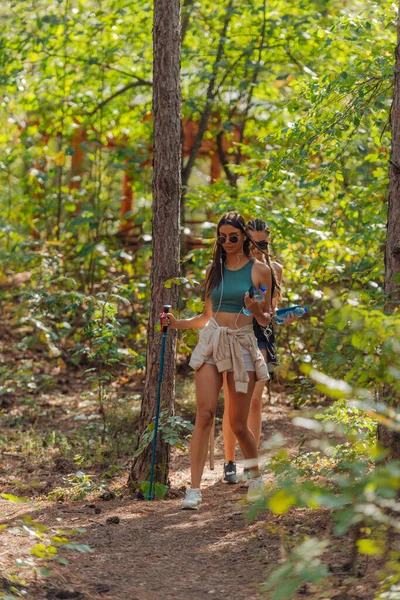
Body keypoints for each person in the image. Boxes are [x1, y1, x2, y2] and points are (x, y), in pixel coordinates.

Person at [160, 212, 271, 509]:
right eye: (221, 237)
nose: (226, 243)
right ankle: (194, 490)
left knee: (237, 423)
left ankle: (256, 476)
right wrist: (175, 323)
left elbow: (265, 317)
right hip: (212, 342)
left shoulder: (260, 270)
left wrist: (253, 308)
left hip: (242, 345)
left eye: (233, 237)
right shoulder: (214, 270)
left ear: (244, 238)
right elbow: (206, 316)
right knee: (205, 414)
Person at [221, 218, 283, 484]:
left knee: (255, 401)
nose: (258, 248)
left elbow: (272, 309)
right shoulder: (235, 266)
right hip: (235, 335)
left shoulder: (274, 269)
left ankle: (251, 461)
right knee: (233, 402)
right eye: (254, 242)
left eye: (263, 243)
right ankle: (229, 460)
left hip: (262, 337)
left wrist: (280, 315)